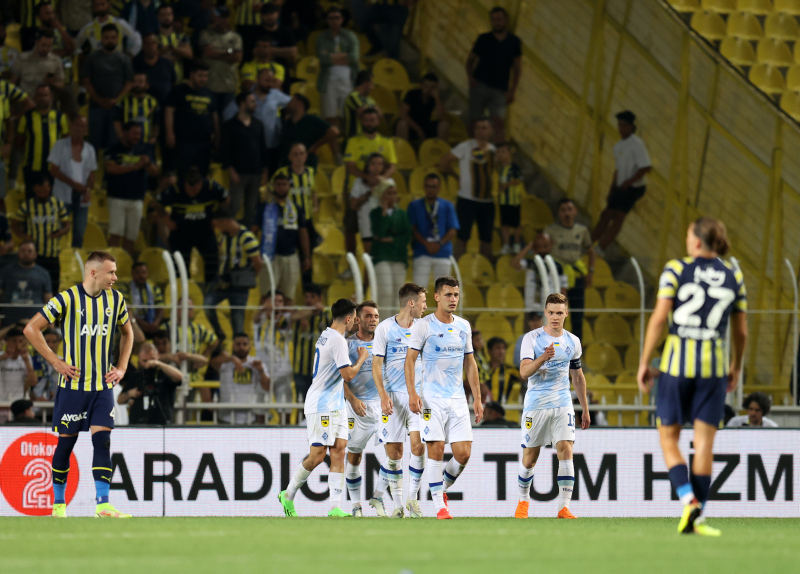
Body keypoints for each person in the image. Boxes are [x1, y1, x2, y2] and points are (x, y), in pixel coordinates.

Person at [637, 217, 748, 536]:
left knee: (668, 437)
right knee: (704, 443)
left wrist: (645, 361)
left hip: (675, 365)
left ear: (697, 242)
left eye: (688, 235)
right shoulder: (733, 275)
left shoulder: (676, 269)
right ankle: (698, 515)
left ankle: (689, 502)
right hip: (713, 368)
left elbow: (660, 318)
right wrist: (736, 366)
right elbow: (740, 330)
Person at [24, 250, 135, 518]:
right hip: (73, 388)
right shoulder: (67, 298)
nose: (115, 277)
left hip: (101, 387)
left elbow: (127, 333)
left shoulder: (116, 300)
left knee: (103, 442)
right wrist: (55, 361)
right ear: (93, 272)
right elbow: (31, 329)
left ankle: (103, 505)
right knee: (65, 445)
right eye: (111, 272)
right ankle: (58, 505)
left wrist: (122, 367)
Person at [278, 298, 368, 517]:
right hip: (321, 404)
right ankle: (287, 494)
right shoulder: (337, 340)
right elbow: (347, 375)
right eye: (354, 319)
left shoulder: (327, 334)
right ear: (347, 319)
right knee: (317, 456)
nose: (355, 323)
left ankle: (334, 507)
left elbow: (336, 375)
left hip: (336, 403)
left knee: (339, 451)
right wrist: (362, 358)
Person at [406, 275, 483, 519]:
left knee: (463, 454)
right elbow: (409, 361)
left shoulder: (463, 326)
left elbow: (470, 363)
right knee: (436, 448)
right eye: (448, 294)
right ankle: (440, 506)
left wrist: (477, 399)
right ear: (437, 297)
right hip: (432, 399)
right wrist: (412, 393)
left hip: (458, 399)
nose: (453, 299)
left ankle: (440, 488)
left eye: (456, 295)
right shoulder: (423, 325)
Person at [516, 293, 590, 520]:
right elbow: (524, 372)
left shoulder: (573, 341)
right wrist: (542, 358)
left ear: (566, 313)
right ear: (545, 313)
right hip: (536, 403)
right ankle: (523, 502)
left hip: (562, 402)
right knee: (530, 457)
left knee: (566, 449)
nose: (555, 317)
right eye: (551, 312)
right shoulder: (532, 338)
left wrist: (584, 408)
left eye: (559, 312)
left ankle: (563, 507)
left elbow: (577, 376)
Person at [372, 282, 428, 518]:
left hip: (417, 397)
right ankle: (395, 504)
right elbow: (376, 364)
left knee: (419, 446)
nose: (426, 307)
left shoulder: (424, 328)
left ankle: (412, 499)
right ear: (411, 302)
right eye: (424, 302)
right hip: (392, 398)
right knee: (394, 454)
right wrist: (383, 396)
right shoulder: (385, 329)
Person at [343, 301, 386, 517]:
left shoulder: (384, 342)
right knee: (354, 457)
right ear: (358, 319)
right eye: (368, 316)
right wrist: (351, 399)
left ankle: (378, 496)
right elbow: (339, 379)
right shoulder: (347, 345)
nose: (373, 320)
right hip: (357, 407)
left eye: (376, 316)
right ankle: (355, 506)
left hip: (381, 405)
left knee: (393, 453)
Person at [591, 110, 652, 255]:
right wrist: (612, 188)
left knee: (618, 217)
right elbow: (617, 170)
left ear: (631, 127)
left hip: (633, 187)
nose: (621, 129)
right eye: (619, 126)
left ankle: (601, 247)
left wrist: (629, 182)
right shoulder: (618, 146)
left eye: (624, 126)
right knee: (606, 215)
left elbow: (645, 167)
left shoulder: (637, 144)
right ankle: (588, 244)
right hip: (621, 186)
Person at [157, 167, 229, 285]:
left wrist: (217, 217)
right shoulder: (175, 189)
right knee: (180, 263)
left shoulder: (211, 187)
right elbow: (158, 204)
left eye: (195, 191)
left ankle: (210, 287)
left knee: (212, 260)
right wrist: (167, 221)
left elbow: (226, 198)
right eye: (189, 190)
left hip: (205, 231)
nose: (192, 194)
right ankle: (182, 288)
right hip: (181, 232)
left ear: (200, 184)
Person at [439, 118, 496, 259]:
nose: (480, 130)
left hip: (487, 200)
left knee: (487, 238)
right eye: (477, 127)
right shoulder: (465, 146)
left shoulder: (493, 150)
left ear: (490, 131)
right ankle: (457, 270)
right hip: (467, 199)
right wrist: (456, 176)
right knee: (462, 236)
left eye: (484, 127)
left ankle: (485, 269)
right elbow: (444, 162)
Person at [344, 108, 397, 253]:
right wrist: (368, 178)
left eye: (372, 120)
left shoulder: (386, 142)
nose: (369, 123)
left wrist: (382, 179)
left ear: (378, 121)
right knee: (350, 228)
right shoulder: (354, 141)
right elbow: (350, 166)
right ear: (362, 121)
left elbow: (392, 165)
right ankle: (351, 264)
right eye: (366, 120)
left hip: (381, 191)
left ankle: (380, 258)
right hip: (356, 189)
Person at [465, 6, 521, 142]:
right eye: (494, 20)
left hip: (500, 90)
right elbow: (470, 60)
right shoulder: (484, 38)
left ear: (505, 20)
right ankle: (472, 149)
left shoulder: (514, 42)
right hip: (480, 84)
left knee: (499, 123)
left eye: (500, 19)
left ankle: (499, 153)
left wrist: (513, 90)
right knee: (474, 120)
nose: (497, 22)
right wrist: (470, 78)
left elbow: (517, 68)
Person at [206, 212, 262, 339]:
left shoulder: (247, 237)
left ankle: (238, 351)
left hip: (239, 284)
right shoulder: (223, 236)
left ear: (225, 222)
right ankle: (219, 333)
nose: (217, 229)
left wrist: (247, 277)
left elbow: (258, 263)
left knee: (237, 319)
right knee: (207, 305)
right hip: (222, 280)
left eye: (218, 225)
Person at [104, 121, 158, 253]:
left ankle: (125, 265)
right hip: (117, 197)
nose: (137, 137)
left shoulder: (144, 149)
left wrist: (148, 163)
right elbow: (110, 168)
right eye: (134, 133)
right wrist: (134, 167)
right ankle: (111, 266)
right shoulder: (114, 148)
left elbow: (155, 172)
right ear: (125, 132)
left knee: (131, 236)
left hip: (137, 199)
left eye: (139, 134)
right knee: (115, 233)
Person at [545, 199, 594, 341]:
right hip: (559, 277)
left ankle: (577, 352)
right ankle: (556, 347)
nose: (567, 213)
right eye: (563, 210)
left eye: (569, 209)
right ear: (559, 213)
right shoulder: (551, 231)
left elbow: (591, 252)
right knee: (558, 315)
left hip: (577, 277)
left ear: (575, 211)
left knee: (578, 315)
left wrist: (590, 271)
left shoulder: (582, 231)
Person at [10, 175, 70, 291]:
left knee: (53, 288)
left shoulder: (58, 204)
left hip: (53, 255)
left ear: (50, 188)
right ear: (34, 189)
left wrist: (59, 232)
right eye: (39, 190)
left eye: (45, 189)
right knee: (34, 287)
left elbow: (67, 224)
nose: (42, 192)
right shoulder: (27, 205)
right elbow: (14, 224)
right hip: (35, 256)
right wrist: (24, 236)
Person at [47, 115, 97, 249]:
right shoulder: (60, 145)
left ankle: (75, 259)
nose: (79, 128)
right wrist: (74, 184)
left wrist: (87, 190)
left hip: (82, 196)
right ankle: (54, 257)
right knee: (58, 229)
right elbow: (54, 170)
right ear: (71, 126)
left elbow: (92, 174)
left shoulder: (89, 149)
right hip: (62, 194)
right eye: (77, 124)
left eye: (83, 126)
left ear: (86, 130)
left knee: (79, 232)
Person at [258, 173, 310, 301]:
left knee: (288, 296)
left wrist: (307, 256)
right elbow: (254, 230)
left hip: (291, 256)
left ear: (289, 187)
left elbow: (303, 233)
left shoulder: (296, 209)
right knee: (266, 295)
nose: (281, 187)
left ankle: (287, 322)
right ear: (273, 186)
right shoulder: (264, 208)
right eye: (278, 185)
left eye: (284, 184)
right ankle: (262, 321)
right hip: (269, 256)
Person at [82, 24, 134, 152]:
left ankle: (111, 171)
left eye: (113, 37)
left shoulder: (124, 59)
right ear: (101, 38)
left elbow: (129, 83)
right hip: (95, 106)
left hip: (116, 108)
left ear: (117, 39)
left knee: (114, 144)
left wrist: (116, 100)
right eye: (106, 37)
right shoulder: (92, 58)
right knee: (93, 145)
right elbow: (86, 81)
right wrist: (98, 100)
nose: (110, 40)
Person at [220, 91, 268, 226]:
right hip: (238, 173)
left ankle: (245, 236)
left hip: (255, 172)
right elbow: (225, 150)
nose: (255, 104)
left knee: (251, 208)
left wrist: (265, 169)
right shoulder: (230, 126)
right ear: (242, 104)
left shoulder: (258, 124)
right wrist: (231, 170)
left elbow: (262, 148)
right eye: (252, 101)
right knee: (234, 205)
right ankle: (228, 232)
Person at [164, 61, 218, 178]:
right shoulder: (178, 90)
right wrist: (169, 133)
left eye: (205, 76)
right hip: (184, 141)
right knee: (184, 175)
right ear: (192, 74)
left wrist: (217, 136)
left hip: (204, 142)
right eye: (200, 75)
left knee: (202, 176)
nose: (203, 79)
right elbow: (169, 111)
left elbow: (214, 116)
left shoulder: (209, 93)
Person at [16, 84, 69, 196]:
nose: (42, 98)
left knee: (53, 202)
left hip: (53, 168)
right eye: (39, 95)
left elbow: (66, 142)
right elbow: (19, 141)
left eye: (45, 95)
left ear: (51, 97)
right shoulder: (27, 117)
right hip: (32, 167)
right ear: (35, 97)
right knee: (31, 201)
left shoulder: (60, 117)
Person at [407, 173, 458, 289]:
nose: (430, 190)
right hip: (422, 251)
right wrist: (426, 244)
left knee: (444, 292)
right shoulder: (414, 206)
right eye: (428, 186)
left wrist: (439, 243)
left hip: (443, 252)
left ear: (439, 188)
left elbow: (452, 230)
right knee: (419, 291)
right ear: (424, 187)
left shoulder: (447, 206)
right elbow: (412, 229)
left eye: (433, 187)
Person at [370, 181, 411, 312]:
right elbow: (379, 232)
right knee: (385, 293)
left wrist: (392, 239)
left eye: (394, 193)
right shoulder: (375, 213)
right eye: (388, 193)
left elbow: (407, 236)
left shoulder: (402, 214)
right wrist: (384, 212)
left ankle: (396, 326)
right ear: (381, 195)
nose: (392, 196)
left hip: (398, 256)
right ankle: (383, 326)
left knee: (398, 295)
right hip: (381, 256)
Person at [211, 333, 270, 424]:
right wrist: (231, 359)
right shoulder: (225, 362)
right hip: (225, 418)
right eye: (238, 344)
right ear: (233, 346)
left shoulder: (256, 363)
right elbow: (212, 363)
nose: (241, 347)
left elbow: (268, 387)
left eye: (244, 344)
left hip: (249, 418)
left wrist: (260, 371)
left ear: (250, 347)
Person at [118, 341, 183, 424]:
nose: (148, 363)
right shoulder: (136, 376)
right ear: (139, 359)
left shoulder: (165, 374)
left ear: (158, 356)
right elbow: (119, 400)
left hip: (162, 425)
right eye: (144, 361)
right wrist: (130, 393)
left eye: (152, 359)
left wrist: (159, 364)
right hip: (138, 426)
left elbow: (179, 376)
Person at [316, 7, 359, 132]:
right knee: (330, 115)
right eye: (331, 18)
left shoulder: (350, 36)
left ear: (342, 19)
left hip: (348, 79)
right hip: (328, 80)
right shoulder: (321, 37)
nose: (334, 21)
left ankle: (346, 140)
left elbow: (354, 57)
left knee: (348, 114)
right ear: (327, 20)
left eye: (337, 17)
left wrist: (332, 56)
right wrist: (345, 56)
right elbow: (323, 58)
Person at [290, 284, 331, 401]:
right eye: (306, 297)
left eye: (312, 297)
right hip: (300, 371)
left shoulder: (327, 316)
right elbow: (289, 318)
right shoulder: (298, 315)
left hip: (321, 371)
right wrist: (310, 312)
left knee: (319, 405)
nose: (308, 300)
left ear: (320, 299)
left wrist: (320, 311)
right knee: (301, 405)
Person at [200, 6, 243, 114]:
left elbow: (237, 57)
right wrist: (229, 51)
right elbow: (208, 53)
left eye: (224, 17)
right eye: (219, 17)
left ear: (228, 18)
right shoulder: (206, 34)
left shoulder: (235, 37)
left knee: (226, 118)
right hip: (209, 84)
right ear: (214, 17)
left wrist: (217, 52)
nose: (221, 20)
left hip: (228, 86)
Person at [278, 93, 339, 170]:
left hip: (307, 165)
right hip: (287, 166)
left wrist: (315, 146)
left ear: (299, 103)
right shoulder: (287, 123)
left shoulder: (312, 120)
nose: (287, 103)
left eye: (291, 101)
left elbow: (334, 132)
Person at [511, 232, 568, 311]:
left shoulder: (557, 266)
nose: (542, 250)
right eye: (539, 247)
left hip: (551, 306)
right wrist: (528, 247)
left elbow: (563, 290)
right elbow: (514, 263)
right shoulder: (530, 263)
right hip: (531, 306)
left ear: (551, 245)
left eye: (545, 246)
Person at [0, 241, 53, 326]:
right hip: (10, 321)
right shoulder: (7, 271)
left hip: (35, 321)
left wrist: (51, 325)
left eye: (29, 251)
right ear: (18, 253)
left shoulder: (43, 273)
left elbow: (48, 299)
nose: (26, 253)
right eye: (23, 251)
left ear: (35, 254)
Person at [272, 142, 318, 238]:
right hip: (288, 219)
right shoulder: (282, 173)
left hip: (306, 218)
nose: (299, 157)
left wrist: (315, 206)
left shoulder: (310, 172)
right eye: (295, 154)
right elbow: (270, 190)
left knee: (309, 246)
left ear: (306, 155)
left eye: (302, 154)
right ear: (290, 157)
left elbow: (314, 191)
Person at [10, 30, 64, 98]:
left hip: (47, 103)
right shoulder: (22, 59)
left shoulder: (56, 61)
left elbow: (61, 84)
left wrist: (52, 83)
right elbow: (13, 82)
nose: (46, 49)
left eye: (49, 46)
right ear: (36, 42)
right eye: (43, 45)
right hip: (26, 101)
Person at [75, 0, 142, 56]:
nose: (100, 8)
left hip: (117, 65)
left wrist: (130, 56)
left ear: (109, 5)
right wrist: (81, 56)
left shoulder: (119, 24)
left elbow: (137, 39)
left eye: (103, 4)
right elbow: (75, 45)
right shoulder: (88, 27)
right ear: (92, 7)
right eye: (96, 5)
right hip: (97, 67)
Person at [396, 72, 449, 142]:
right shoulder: (412, 94)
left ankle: (440, 150)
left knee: (444, 125)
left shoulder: (434, 98)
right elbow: (402, 114)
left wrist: (437, 98)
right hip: (411, 124)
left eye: (432, 88)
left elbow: (442, 117)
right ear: (421, 85)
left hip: (425, 124)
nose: (428, 90)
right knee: (402, 124)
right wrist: (418, 129)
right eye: (426, 86)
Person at [348, 153, 384, 255]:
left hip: (383, 225)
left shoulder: (388, 182)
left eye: (380, 164)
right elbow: (353, 205)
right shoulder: (359, 182)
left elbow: (393, 206)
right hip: (367, 225)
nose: (377, 167)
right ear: (368, 165)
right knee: (370, 260)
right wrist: (369, 194)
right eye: (373, 164)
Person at [113, 72, 160, 148]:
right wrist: (121, 138)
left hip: (147, 144)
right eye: (134, 81)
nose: (137, 84)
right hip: (127, 143)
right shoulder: (122, 101)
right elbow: (116, 121)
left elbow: (156, 123)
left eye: (141, 82)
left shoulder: (153, 102)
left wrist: (154, 138)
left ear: (147, 85)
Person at [118, 261, 164, 337]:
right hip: (134, 323)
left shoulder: (154, 288)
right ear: (132, 274)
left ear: (147, 273)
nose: (141, 275)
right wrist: (143, 325)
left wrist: (156, 323)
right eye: (138, 273)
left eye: (144, 272)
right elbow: (127, 311)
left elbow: (161, 308)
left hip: (152, 323)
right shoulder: (125, 289)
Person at [133, 32, 177, 108]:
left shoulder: (167, 63)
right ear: (142, 46)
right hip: (142, 107)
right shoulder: (135, 63)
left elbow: (174, 84)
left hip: (165, 106)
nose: (150, 47)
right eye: (147, 44)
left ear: (157, 44)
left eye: (153, 43)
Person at [496, 142, 523, 254]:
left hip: (513, 201)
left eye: (504, 151)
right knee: (504, 224)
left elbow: (519, 179)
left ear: (509, 153)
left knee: (516, 224)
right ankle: (506, 245)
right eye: (499, 152)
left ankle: (516, 244)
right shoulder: (501, 168)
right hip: (503, 201)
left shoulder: (514, 167)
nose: (501, 154)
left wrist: (507, 185)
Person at [156, 5, 192, 83]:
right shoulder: (154, 37)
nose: (166, 18)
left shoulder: (181, 36)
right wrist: (178, 53)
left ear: (173, 16)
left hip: (178, 80)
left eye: (169, 14)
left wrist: (171, 48)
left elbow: (189, 54)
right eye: (163, 15)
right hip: (160, 79)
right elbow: (154, 55)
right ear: (158, 17)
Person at [0, 328, 37, 404]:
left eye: (20, 341)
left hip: (18, 402)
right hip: (1, 402)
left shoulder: (26, 358)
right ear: (7, 342)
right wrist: (4, 357)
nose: (17, 345)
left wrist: (26, 360)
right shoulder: (1, 356)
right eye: (14, 341)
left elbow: (33, 381)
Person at [485, 337, 523, 412]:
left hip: (504, 410)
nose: (501, 351)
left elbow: (525, 378)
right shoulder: (482, 369)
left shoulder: (510, 370)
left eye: (503, 348)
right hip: (484, 409)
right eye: (498, 348)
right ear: (489, 351)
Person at [257, 3, 298, 70]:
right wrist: (282, 52)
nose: (269, 17)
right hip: (259, 69)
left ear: (277, 14)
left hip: (282, 69)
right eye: (265, 14)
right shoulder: (256, 31)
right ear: (261, 15)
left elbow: (293, 52)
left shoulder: (286, 31)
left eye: (271, 13)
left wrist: (271, 50)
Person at [342, 70, 378, 142]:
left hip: (368, 139)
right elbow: (362, 114)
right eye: (371, 84)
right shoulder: (352, 97)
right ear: (366, 83)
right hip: (353, 139)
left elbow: (380, 114)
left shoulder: (369, 99)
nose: (372, 87)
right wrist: (372, 111)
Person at [31, 328, 62, 402]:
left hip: (56, 404)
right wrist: (33, 396)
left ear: (58, 343)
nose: (50, 345)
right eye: (47, 341)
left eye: (54, 342)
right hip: (35, 405)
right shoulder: (33, 361)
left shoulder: (63, 362)